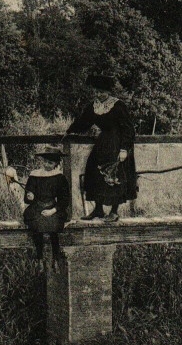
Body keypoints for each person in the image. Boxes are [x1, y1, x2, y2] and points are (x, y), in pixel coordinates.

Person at [66, 74, 137, 222]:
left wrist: (124, 149)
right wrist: (69, 131)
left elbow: (129, 129)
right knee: (94, 171)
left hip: (117, 144)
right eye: (97, 91)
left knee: (114, 176)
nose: (99, 94)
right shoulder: (93, 106)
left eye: (102, 91)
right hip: (102, 143)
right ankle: (98, 210)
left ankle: (114, 212)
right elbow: (83, 122)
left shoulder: (118, 106)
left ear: (109, 91)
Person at [23, 145, 71, 261]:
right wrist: (30, 196)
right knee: (36, 224)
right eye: (45, 162)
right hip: (36, 207)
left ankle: (56, 257)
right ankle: (39, 258)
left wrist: (52, 211)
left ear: (56, 164)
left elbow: (64, 199)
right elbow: (27, 198)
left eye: (50, 163)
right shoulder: (34, 175)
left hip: (53, 208)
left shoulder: (60, 178)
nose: (46, 165)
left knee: (53, 226)